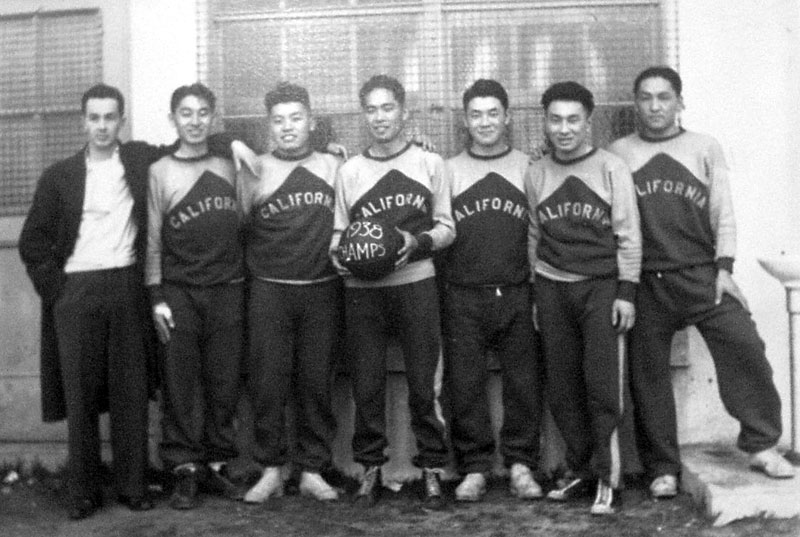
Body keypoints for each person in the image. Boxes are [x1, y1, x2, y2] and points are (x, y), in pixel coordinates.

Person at [608, 66, 794, 498]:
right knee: (646, 373)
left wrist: (724, 268)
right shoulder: (619, 152)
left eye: (664, 97)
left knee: (744, 344)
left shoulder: (704, 147)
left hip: (700, 274)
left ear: (679, 102)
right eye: (646, 97)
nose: (655, 106)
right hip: (646, 281)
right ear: (635, 103)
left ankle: (762, 444)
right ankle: (662, 468)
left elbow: (722, 214)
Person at [329, 74, 455, 510]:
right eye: (371, 109)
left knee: (425, 384)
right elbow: (339, 232)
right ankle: (370, 470)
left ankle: (433, 469)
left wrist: (414, 243)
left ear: (404, 112)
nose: (380, 117)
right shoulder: (350, 171)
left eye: (388, 108)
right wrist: (339, 257)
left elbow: (447, 227)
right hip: (362, 291)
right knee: (366, 384)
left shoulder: (429, 163)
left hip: (415, 284)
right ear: (363, 115)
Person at [525, 81, 641, 515]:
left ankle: (608, 479)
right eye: (555, 120)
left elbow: (628, 234)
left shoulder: (611, 167)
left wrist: (626, 292)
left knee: (601, 385)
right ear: (545, 123)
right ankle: (581, 469)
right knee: (562, 386)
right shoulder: (537, 172)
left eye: (573, 119)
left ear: (588, 122)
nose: (564, 129)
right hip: (553, 288)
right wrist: (537, 293)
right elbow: (534, 235)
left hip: (600, 288)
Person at [145, 83, 249, 509]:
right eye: (186, 113)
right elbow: (152, 240)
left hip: (228, 289)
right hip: (180, 292)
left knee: (224, 383)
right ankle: (184, 468)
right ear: (173, 119)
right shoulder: (160, 170)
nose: (195, 121)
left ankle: (218, 466)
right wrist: (156, 297)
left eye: (203, 112)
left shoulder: (231, 163)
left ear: (213, 118)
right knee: (181, 385)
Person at [239, 82, 342, 503]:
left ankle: (313, 470)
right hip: (270, 290)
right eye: (278, 121)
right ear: (268, 127)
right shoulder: (254, 169)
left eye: (296, 118)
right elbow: (239, 229)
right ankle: (271, 469)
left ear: (312, 122)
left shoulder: (334, 164)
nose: (287, 128)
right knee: (268, 385)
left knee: (316, 384)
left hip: (321, 289)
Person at [441, 79, 543, 502]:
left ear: (507, 117)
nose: (485, 122)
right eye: (476, 114)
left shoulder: (529, 167)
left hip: (517, 289)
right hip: (463, 292)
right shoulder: (448, 169)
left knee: (523, 382)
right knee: (464, 384)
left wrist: (536, 287)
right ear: (465, 121)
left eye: (492, 113)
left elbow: (540, 230)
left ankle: (521, 465)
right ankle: (475, 468)